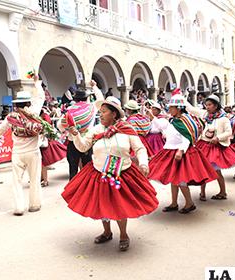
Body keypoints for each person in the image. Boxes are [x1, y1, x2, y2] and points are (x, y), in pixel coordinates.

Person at [62, 96, 159, 251]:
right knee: (103, 204)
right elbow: (82, 148)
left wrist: (143, 163)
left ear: (114, 114)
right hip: (99, 173)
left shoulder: (127, 130)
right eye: (100, 112)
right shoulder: (95, 130)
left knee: (120, 205)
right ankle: (107, 232)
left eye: (104, 112)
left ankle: (123, 235)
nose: (100, 115)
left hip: (122, 173)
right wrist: (75, 135)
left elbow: (140, 148)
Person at [148, 94, 217, 214]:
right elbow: (164, 129)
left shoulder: (185, 121)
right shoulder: (173, 120)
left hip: (181, 153)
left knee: (181, 180)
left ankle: (189, 203)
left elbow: (187, 137)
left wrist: (181, 150)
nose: (169, 110)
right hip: (169, 151)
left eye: (171, 107)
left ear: (178, 108)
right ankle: (174, 203)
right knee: (173, 179)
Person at [0, 74, 45, 216]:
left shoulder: (11, 117)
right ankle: (34, 204)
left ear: (16, 104)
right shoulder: (34, 113)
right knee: (34, 179)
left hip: (17, 153)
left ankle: (18, 207)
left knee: (16, 181)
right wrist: (37, 83)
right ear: (28, 103)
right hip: (34, 152)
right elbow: (41, 97)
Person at [185, 94, 235, 200]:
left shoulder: (224, 119)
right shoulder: (204, 114)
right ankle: (202, 193)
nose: (207, 107)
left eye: (209, 105)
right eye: (206, 105)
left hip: (215, 147)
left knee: (217, 171)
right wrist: (180, 97)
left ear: (216, 106)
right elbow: (191, 109)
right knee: (201, 169)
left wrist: (218, 138)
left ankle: (223, 192)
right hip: (203, 144)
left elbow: (229, 132)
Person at [58, 80, 104, 179]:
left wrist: (69, 129)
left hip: (72, 142)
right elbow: (100, 99)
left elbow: (60, 126)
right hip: (87, 142)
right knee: (88, 168)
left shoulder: (69, 111)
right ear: (87, 98)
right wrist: (94, 87)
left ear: (75, 99)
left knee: (73, 169)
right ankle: (88, 190)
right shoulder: (92, 108)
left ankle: (73, 192)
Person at [39, 107, 66, 187]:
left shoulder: (44, 116)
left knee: (43, 162)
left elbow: (47, 127)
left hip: (44, 141)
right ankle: (42, 178)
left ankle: (45, 180)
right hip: (43, 141)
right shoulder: (42, 116)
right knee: (42, 162)